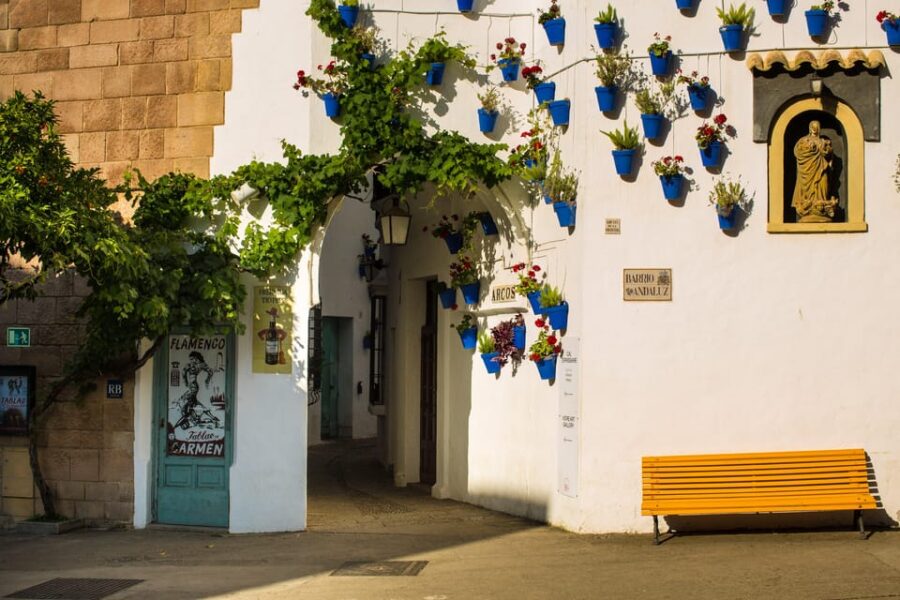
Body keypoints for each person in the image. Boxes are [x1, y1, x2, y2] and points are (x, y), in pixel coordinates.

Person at [792, 120, 838, 222]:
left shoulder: (822, 141)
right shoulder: (804, 140)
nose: (815, 128)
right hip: (808, 172)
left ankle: (821, 204)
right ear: (810, 128)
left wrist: (827, 150)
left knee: (823, 183)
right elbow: (798, 152)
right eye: (813, 126)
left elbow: (828, 154)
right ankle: (810, 206)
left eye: (817, 126)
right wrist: (809, 148)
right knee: (808, 194)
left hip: (822, 168)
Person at [174, 351, 219, 430]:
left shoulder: (199, 365)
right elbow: (184, 371)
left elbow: (184, 371)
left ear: (196, 358)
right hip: (192, 387)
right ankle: (212, 417)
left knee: (183, 402)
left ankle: (195, 419)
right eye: (190, 359)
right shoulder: (195, 365)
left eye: (192, 359)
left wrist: (207, 380)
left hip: (193, 387)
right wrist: (185, 381)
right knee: (196, 403)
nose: (191, 361)